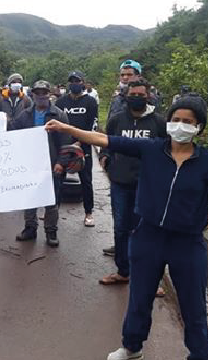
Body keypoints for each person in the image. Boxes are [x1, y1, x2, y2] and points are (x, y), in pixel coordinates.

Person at [45, 95, 208, 360]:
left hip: (188, 243)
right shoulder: (152, 149)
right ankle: (132, 348)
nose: (180, 125)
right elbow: (104, 140)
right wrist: (66, 129)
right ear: (168, 122)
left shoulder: (204, 162)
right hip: (148, 235)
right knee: (139, 298)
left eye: (187, 121)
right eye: (176, 120)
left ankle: (199, 354)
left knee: (194, 306)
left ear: (198, 126)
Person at [97, 80, 167, 294]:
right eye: (133, 93)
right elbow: (105, 144)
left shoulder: (158, 123)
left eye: (141, 93)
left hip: (146, 186)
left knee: (144, 232)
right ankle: (123, 271)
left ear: (149, 96)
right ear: (126, 96)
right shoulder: (117, 120)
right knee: (120, 229)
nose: (137, 96)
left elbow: (167, 151)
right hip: (119, 185)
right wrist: (106, 160)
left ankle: (147, 278)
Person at [10, 80, 71, 248]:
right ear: (33, 95)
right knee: (29, 199)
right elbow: (13, 134)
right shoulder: (24, 115)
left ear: (49, 93)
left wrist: (61, 163)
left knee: (51, 201)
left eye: (44, 92)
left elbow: (66, 143)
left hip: (52, 165)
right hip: (30, 165)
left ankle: (51, 232)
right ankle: (30, 229)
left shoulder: (59, 115)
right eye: (38, 92)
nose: (41, 95)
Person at [55, 71, 99, 227]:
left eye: (77, 80)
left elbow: (92, 125)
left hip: (83, 146)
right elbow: (57, 124)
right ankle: (54, 212)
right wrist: (65, 145)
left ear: (83, 83)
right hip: (64, 147)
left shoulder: (91, 102)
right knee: (58, 179)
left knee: (86, 180)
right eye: (72, 81)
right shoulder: (60, 102)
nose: (74, 83)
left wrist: (79, 143)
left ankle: (88, 213)